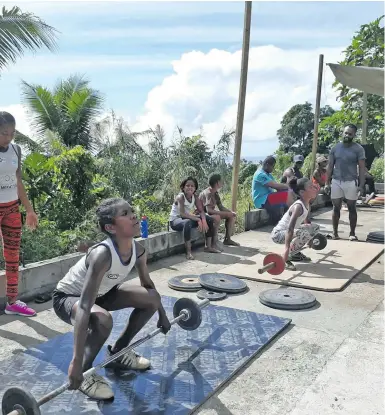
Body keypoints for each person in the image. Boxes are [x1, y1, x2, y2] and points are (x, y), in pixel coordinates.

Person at [52, 198, 171, 400]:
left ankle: (119, 352)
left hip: (102, 294)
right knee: (103, 319)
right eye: (124, 214)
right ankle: (85, 371)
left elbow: (148, 285)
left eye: (131, 210)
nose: (133, 215)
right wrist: (75, 360)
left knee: (151, 298)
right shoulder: (102, 254)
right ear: (110, 227)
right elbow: (84, 305)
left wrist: (162, 315)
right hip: (68, 298)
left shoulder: (138, 250)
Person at [0, 111, 38, 317]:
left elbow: (18, 181)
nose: (9, 137)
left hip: (12, 208)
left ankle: (12, 302)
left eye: (12, 132)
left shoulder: (15, 150)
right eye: (5, 133)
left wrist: (29, 210)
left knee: (13, 257)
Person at [325, 124, 366, 241]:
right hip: (337, 181)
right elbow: (330, 167)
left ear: (354, 135)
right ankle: (335, 233)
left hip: (351, 182)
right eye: (346, 133)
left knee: (352, 207)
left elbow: (362, 168)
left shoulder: (358, 149)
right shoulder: (335, 148)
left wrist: (361, 186)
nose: (347, 135)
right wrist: (327, 183)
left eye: (350, 134)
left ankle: (352, 233)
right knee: (335, 207)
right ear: (342, 133)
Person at [271, 177, 320, 270]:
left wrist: (310, 238)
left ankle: (295, 254)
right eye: (311, 187)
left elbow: (306, 221)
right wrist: (286, 248)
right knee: (303, 233)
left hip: (292, 231)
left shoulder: (306, 203)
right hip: (278, 234)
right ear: (302, 192)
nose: (314, 188)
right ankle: (287, 256)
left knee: (315, 228)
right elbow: (290, 228)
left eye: (314, 186)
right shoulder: (298, 207)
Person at [169, 177, 219, 259]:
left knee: (209, 219)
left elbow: (201, 211)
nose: (190, 187)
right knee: (187, 223)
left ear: (195, 188)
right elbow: (182, 214)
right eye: (187, 185)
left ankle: (208, 247)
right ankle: (188, 253)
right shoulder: (180, 197)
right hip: (175, 221)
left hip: (187, 218)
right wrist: (198, 219)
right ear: (183, 187)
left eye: (192, 186)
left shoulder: (195, 197)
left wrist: (203, 220)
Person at [199, 173, 240, 248]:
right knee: (217, 217)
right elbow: (209, 211)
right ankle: (214, 242)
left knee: (231, 216)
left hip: (208, 214)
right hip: (201, 214)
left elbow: (221, 207)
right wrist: (225, 213)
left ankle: (227, 239)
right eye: (221, 181)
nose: (222, 183)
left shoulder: (215, 193)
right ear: (217, 182)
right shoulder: (208, 193)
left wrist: (230, 212)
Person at [252, 156, 295, 225]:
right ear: (267, 164)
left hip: (268, 198)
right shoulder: (259, 174)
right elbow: (275, 185)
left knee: (288, 194)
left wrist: (290, 189)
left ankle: (288, 218)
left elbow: (278, 187)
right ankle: (291, 219)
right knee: (287, 195)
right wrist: (288, 186)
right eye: (273, 166)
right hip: (261, 200)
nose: (273, 168)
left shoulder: (268, 175)